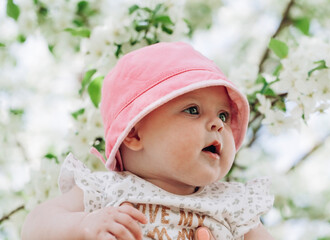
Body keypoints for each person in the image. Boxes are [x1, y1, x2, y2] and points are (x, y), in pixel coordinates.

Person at [21, 42, 274, 240]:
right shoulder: (105, 190)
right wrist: (85, 225)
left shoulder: (233, 202)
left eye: (224, 115)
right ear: (134, 134)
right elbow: (34, 226)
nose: (218, 124)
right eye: (193, 110)